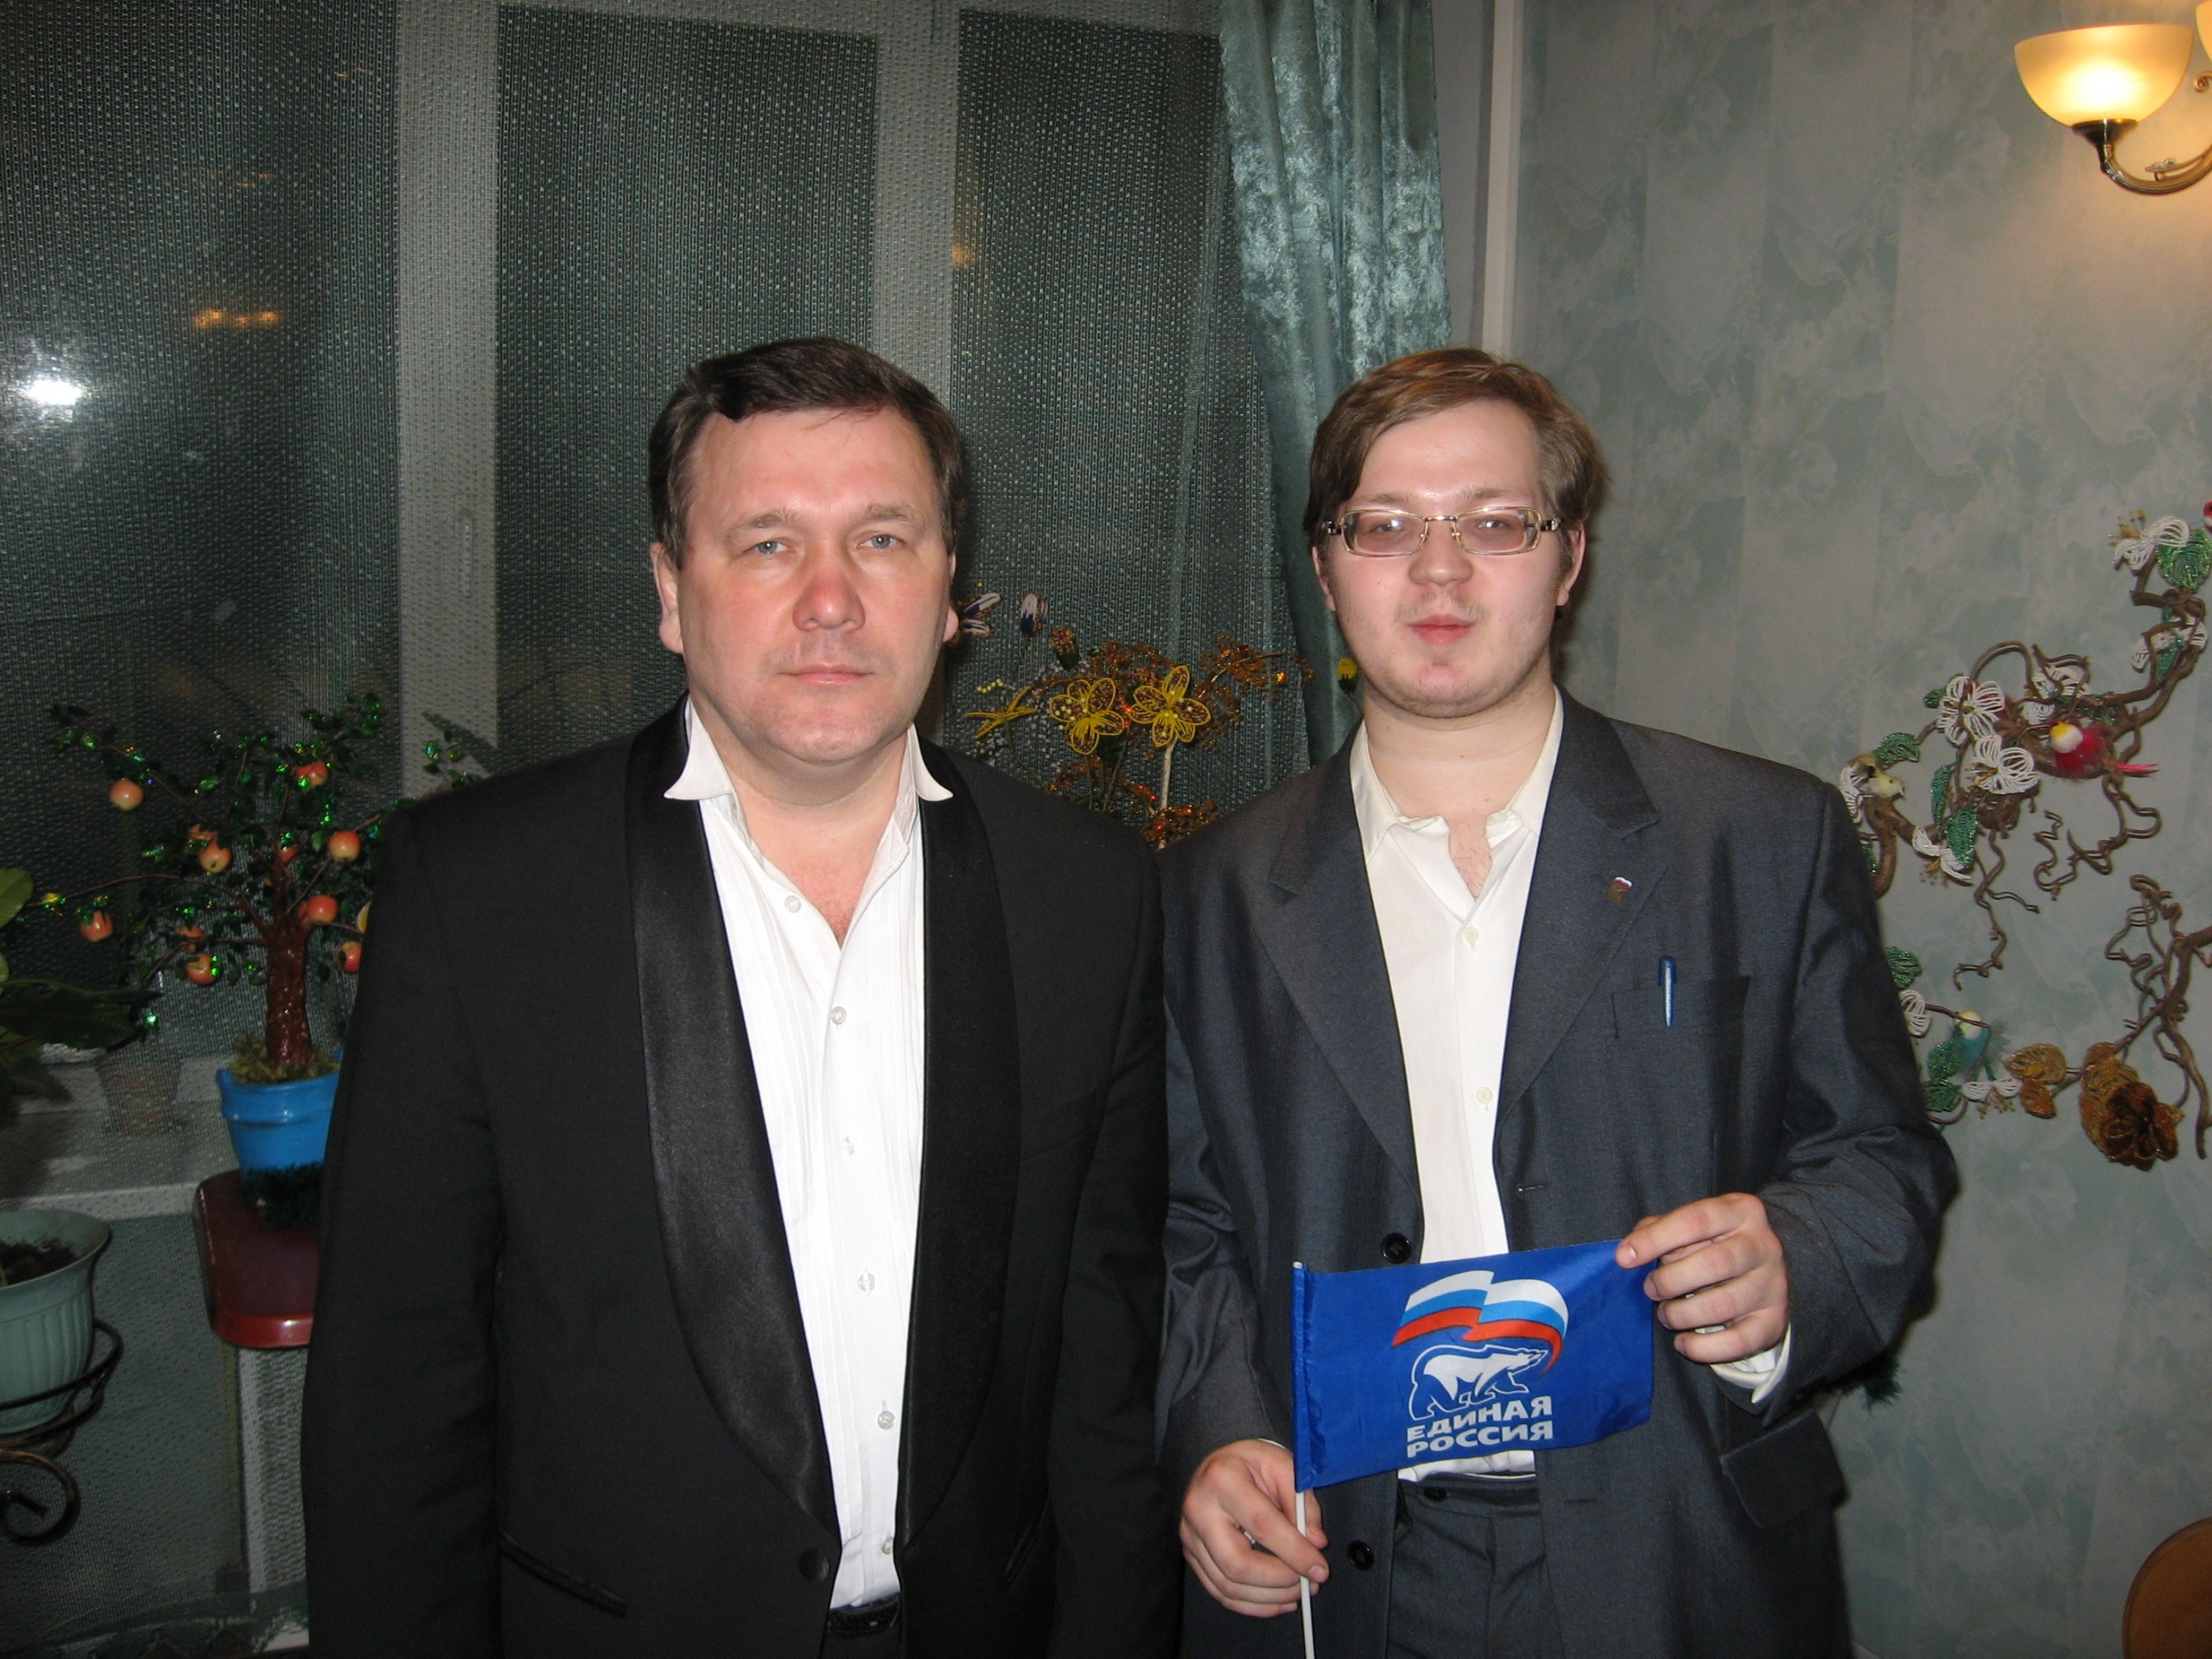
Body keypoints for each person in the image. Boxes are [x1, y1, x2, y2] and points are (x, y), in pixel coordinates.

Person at [304, 337, 1179, 1658]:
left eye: (882, 540)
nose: (831, 600)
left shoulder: (1089, 893)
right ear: (671, 591)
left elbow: (1102, 1368)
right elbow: (397, 1389)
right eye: (767, 544)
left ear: (950, 592)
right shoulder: (478, 894)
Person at [1157, 348, 1955, 1658]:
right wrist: (1219, 1427)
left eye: (1495, 523)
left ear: (1569, 556)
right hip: (1345, 1557)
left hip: (1680, 1536)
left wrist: (1794, 1263)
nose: (1439, 572)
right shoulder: (1209, 891)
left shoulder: (1760, 836)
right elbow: (1184, 1227)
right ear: (1326, 566)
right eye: (1385, 527)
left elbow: (1879, 1161)